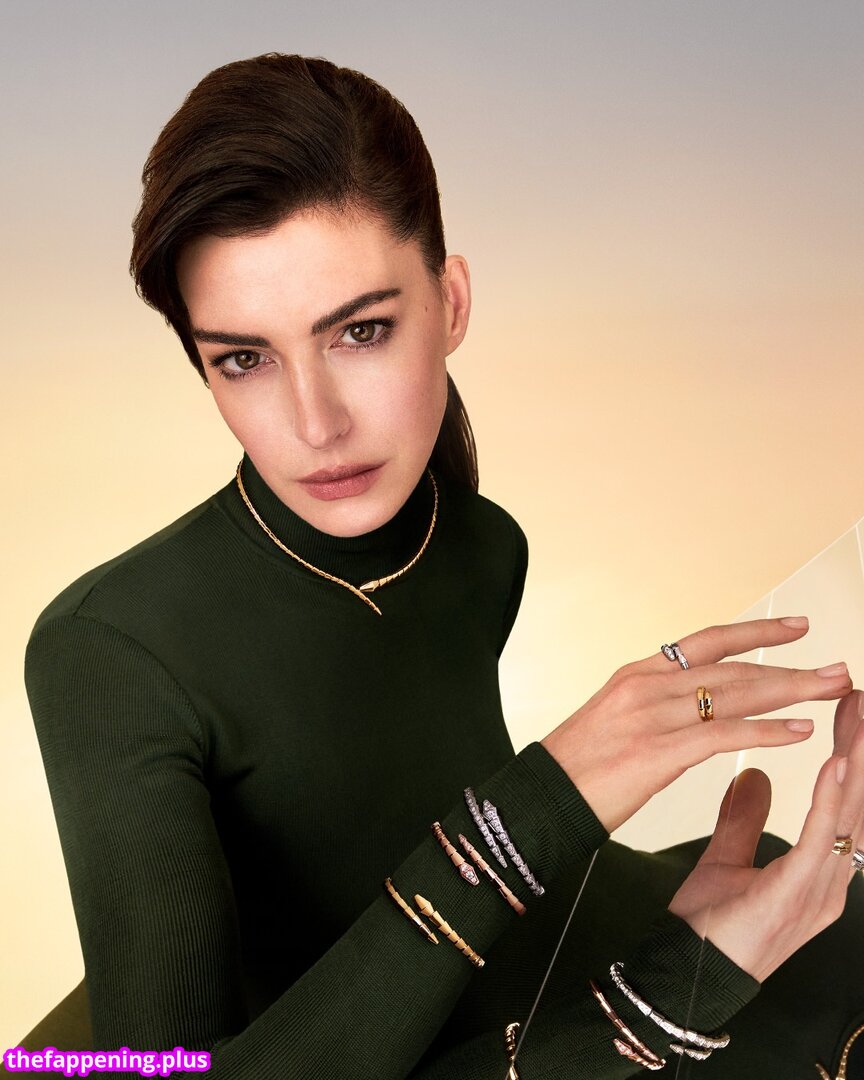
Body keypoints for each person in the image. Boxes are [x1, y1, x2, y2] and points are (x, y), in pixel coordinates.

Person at [18, 53, 864, 1078]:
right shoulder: (106, 652)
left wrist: (669, 925)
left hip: (602, 941)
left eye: (362, 331)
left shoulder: (477, 543)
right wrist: (556, 819)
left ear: (451, 302)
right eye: (244, 358)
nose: (316, 424)